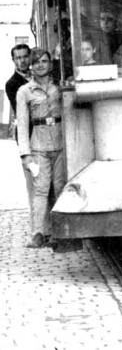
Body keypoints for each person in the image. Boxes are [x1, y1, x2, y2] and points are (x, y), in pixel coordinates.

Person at [16, 49, 66, 248]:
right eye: (36, 62)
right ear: (31, 65)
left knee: (61, 188)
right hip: (39, 147)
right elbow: (22, 123)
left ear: (50, 64)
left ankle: (60, 233)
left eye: (44, 61)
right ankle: (38, 232)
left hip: (61, 144)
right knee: (41, 190)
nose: (40, 65)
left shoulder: (59, 87)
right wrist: (25, 154)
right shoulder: (25, 91)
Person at [5, 44, 31, 139]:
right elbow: (22, 110)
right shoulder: (11, 84)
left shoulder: (38, 76)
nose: (22, 61)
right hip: (27, 132)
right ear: (13, 60)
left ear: (30, 57)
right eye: (18, 58)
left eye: (25, 56)